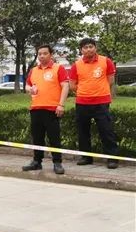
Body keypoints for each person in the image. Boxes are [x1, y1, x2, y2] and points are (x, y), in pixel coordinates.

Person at [69, 38, 120, 169]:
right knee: (83, 131)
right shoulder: (76, 65)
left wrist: (98, 90)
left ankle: (112, 159)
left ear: (95, 47)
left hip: (101, 102)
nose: (88, 49)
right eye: (85, 47)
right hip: (82, 102)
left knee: (106, 130)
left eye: (91, 46)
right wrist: (85, 91)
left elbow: (110, 80)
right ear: (81, 50)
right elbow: (72, 85)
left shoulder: (106, 61)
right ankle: (86, 157)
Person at [22, 44, 69, 175]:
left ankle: (57, 162)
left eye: (45, 53)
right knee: (37, 137)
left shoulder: (58, 68)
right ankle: (37, 161)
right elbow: (27, 85)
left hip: (52, 109)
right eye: (40, 54)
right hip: (36, 108)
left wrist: (61, 105)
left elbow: (65, 86)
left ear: (51, 54)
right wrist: (30, 89)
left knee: (54, 137)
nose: (42, 56)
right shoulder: (33, 70)